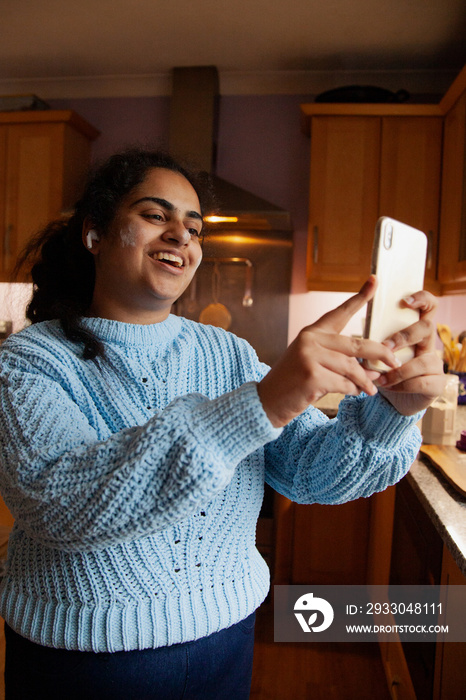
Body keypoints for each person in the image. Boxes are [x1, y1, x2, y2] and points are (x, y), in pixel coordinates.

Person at [0, 148, 444, 699]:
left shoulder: (229, 354)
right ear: (95, 234)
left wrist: (394, 410)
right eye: (156, 216)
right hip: (84, 659)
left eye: (193, 226)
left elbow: (312, 473)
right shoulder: (29, 360)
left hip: (226, 640)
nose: (181, 236)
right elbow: (56, 501)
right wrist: (261, 404)